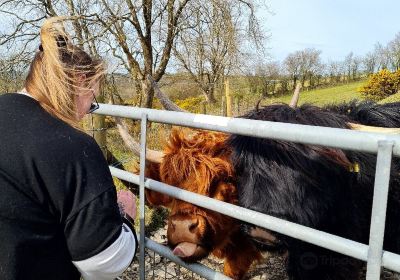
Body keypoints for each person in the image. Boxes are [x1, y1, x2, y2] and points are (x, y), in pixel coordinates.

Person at [0, 17, 137, 280]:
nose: (88, 112)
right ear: (81, 81)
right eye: (93, 99)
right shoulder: (73, 147)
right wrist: (126, 221)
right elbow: (101, 261)